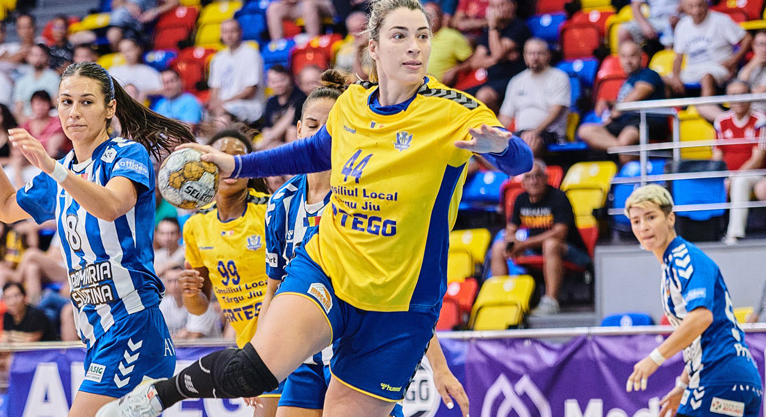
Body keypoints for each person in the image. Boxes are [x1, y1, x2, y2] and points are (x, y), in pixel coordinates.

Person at [100, 0, 532, 415]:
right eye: (400, 36)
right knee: (253, 372)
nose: (414, 46)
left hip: (401, 304)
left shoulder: (452, 110)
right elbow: (313, 151)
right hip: (329, 266)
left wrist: (501, 147)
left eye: (422, 36)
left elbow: (520, 161)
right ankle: (158, 395)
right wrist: (237, 164)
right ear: (374, 47)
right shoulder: (352, 104)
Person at [0, 61, 195, 416]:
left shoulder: (126, 154)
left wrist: (53, 168)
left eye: (87, 102)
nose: (74, 112)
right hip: (97, 332)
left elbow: (112, 205)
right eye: (66, 102)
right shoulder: (62, 170)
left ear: (110, 108)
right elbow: (6, 207)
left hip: (131, 322)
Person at [262, 69, 468, 417]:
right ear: (298, 130)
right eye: (312, 125)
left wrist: (438, 365)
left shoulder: (367, 201)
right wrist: (261, 364)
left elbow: (399, 296)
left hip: (358, 352)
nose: (321, 135)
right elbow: (273, 290)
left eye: (331, 127)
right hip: (305, 355)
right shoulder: (281, 202)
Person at [624, 184, 762, 417]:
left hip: (719, 377)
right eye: (636, 221)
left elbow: (701, 317)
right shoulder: (671, 265)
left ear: (670, 218)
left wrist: (654, 359)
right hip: (735, 379)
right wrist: (682, 385)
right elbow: (700, 336)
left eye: (651, 217)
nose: (643, 227)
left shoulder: (684, 258)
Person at [177, 128, 281, 416]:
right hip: (250, 350)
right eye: (221, 156)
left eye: (238, 156)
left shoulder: (271, 210)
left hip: (284, 340)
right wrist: (190, 293)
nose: (229, 162)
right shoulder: (196, 226)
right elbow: (199, 308)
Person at [489, 160, 590, 316]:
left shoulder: (559, 198)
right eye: (529, 177)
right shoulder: (521, 199)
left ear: (546, 178)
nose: (533, 181)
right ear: (523, 183)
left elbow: (560, 233)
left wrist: (524, 244)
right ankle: (501, 299)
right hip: (536, 249)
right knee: (498, 247)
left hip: (573, 252)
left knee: (551, 244)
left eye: (537, 176)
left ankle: (551, 302)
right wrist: (511, 242)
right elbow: (511, 228)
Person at [577, 41, 669, 165]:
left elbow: (640, 92)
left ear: (641, 57)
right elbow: (622, 101)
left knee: (626, 139)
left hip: (646, 121)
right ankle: (623, 149)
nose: (628, 61)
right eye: (624, 56)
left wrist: (618, 110)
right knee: (585, 130)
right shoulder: (628, 81)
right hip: (625, 122)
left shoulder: (649, 74)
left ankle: (625, 154)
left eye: (632, 56)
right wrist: (608, 102)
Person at [667, 0, 751, 122]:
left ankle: (709, 115)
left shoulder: (721, 20)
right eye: (691, 6)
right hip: (692, 69)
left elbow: (747, 38)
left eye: (700, 5)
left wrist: (733, 61)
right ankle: (669, 123)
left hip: (717, 67)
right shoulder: (682, 25)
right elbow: (678, 57)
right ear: (684, 8)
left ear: (706, 5)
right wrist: (675, 76)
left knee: (706, 77)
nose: (696, 10)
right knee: (662, 79)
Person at [711, 80, 766, 245]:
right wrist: (720, 176)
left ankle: (734, 235)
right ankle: (707, 233)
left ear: (750, 97)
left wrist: (734, 177)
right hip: (728, 174)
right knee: (709, 183)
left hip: (757, 174)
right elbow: (717, 156)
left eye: (743, 94)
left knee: (740, 181)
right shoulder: (721, 121)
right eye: (734, 95)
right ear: (727, 98)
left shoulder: (760, 120)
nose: (739, 99)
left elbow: (757, 159)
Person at [498, 38, 570, 156]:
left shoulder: (559, 77)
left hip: (549, 133)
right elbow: (505, 116)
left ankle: (523, 167)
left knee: (530, 142)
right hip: (520, 133)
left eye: (539, 53)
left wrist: (536, 131)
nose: (535, 57)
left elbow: (556, 111)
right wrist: (495, 134)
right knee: (484, 150)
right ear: (525, 56)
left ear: (548, 56)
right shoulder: (517, 81)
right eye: (531, 53)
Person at [466, 0, 531, 113]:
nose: (498, 9)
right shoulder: (487, 32)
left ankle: (497, 121)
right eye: (493, 6)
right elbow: (475, 62)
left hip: (513, 80)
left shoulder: (518, 27)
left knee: (484, 96)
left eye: (502, 5)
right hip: (492, 81)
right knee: (457, 98)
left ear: (513, 6)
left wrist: (493, 27)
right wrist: (496, 59)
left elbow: (497, 54)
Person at [208, 19, 264, 124]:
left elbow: (250, 91)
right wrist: (215, 103)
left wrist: (224, 103)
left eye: (232, 31)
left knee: (222, 120)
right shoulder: (218, 58)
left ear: (240, 32)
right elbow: (215, 88)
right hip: (223, 105)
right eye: (225, 32)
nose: (229, 36)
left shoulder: (251, 54)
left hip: (249, 105)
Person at [159, 268, 221, 339]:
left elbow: (193, 337)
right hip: (176, 345)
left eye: (178, 280)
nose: (174, 285)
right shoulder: (164, 303)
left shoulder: (200, 301)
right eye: (170, 281)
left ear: (186, 281)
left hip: (204, 346)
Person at [425, 2, 472, 86]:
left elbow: (472, 61)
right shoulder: (415, 37)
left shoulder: (452, 36)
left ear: (441, 17)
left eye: (432, 15)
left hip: (439, 88)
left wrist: (456, 69)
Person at [261, 65, 307, 149]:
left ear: (289, 78)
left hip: (293, 142)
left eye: (281, 80)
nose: (278, 85)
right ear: (268, 83)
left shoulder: (299, 97)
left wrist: (269, 139)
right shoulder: (271, 102)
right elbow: (266, 128)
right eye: (273, 82)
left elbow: (292, 127)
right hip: (275, 142)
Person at [12, 44, 60, 120]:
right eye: (34, 55)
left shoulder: (54, 77)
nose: (37, 58)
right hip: (28, 119)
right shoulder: (21, 81)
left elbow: (56, 103)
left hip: (48, 118)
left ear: (46, 57)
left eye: (41, 55)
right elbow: (18, 109)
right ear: (28, 57)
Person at [22, 90, 69, 158]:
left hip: (53, 160)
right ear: (31, 105)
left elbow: (53, 153)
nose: (40, 107)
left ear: (49, 105)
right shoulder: (26, 125)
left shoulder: (58, 123)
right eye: (37, 104)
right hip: (29, 160)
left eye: (44, 104)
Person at [266, 0, 333, 40]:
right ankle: (278, 47)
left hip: (327, 4)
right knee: (274, 8)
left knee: (308, 5)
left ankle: (313, 44)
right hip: (301, 4)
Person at [737, 30, 766, 113]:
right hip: (747, 111)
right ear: (753, 45)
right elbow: (739, 86)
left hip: (761, 110)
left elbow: (760, 91)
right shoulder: (750, 66)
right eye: (761, 44)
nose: (764, 49)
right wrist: (752, 65)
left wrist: (743, 94)